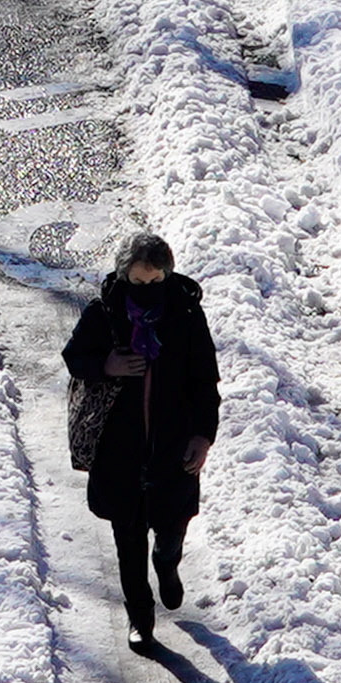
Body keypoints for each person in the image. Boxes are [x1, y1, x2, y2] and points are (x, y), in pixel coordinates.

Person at [62, 234, 222, 654]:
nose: (146, 290)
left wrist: (203, 436)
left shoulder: (185, 315)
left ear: (167, 276)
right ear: (123, 275)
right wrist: (107, 365)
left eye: (154, 282)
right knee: (128, 540)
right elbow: (74, 356)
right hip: (120, 452)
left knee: (171, 528)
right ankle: (140, 616)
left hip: (172, 448)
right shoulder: (105, 313)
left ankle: (167, 564)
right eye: (137, 281)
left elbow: (206, 382)